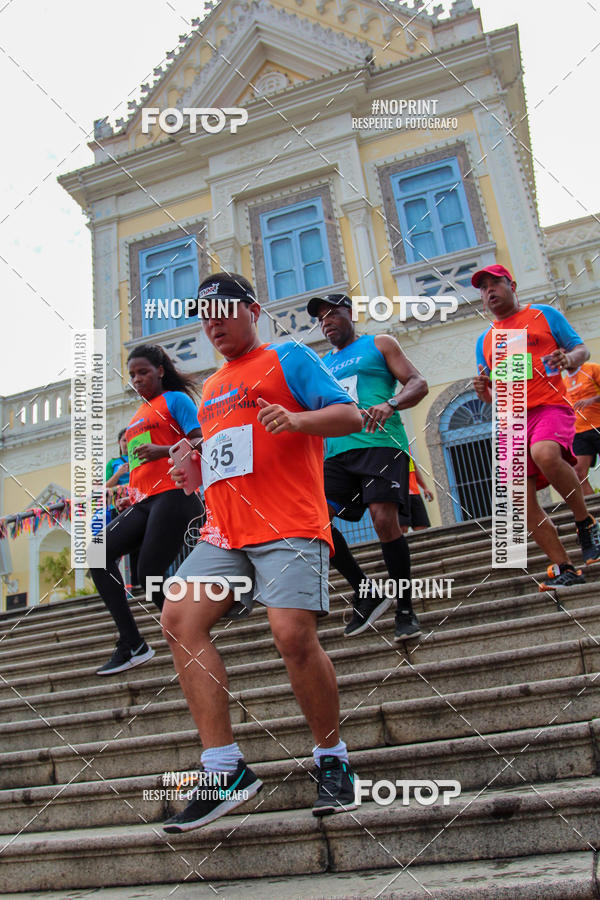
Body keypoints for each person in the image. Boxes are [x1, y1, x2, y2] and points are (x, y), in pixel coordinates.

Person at [160, 273, 364, 832]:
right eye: (204, 316)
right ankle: (224, 769)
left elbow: (349, 415)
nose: (214, 323)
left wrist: (298, 419)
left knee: (293, 636)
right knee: (178, 617)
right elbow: (231, 457)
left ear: (253, 308)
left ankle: (332, 759)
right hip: (224, 532)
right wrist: (195, 470)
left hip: (289, 524)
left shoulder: (288, 357)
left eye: (225, 310)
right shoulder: (210, 388)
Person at [306, 293, 428, 641]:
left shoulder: (379, 343)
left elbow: (418, 383)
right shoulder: (322, 364)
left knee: (383, 519)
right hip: (335, 454)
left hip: (380, 445)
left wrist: (391, 403)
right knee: (315, 522)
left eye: (332, 314)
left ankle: (405, 608)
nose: (326, 322)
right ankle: (366, 589)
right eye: (321, 318)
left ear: (350, 313)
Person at [472, 264, 600, 589]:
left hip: (550, 407)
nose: (489, 291)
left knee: (544, 452)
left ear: (512, 285)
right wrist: (483, 391)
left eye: (495, 283)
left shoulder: (544, 314)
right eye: (483, 288)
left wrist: (569, 360)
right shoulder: (486, 340)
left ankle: (584, 522)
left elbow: (580, 348)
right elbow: (493, 396)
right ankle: (564, 567)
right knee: (517, 497)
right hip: (512, 420)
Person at [90, 344, 204, 675]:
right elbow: (140, 466)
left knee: (147, 575)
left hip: (175, 495)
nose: (137, 380)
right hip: (144, 501)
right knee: (97, 554)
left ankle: (192, 625)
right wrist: (131, 496)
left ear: (160, 370)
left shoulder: (176, 400)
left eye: (143, 372)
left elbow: (201, 440)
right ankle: (133, 644)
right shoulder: (138, 414)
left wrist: (165, 450)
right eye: (132, 375)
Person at [564, 361, 600, 495]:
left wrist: (592, 400)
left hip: (598, 425)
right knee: (579, 474)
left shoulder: (591, 368)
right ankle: (594, 512)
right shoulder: (564, 381)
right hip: (578, 432)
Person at [399, 457, 433, 535]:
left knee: (422, 527)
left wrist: (425, 487)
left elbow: (414, 468)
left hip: (414, 492)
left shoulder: (406, 447)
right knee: (402, 528)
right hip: (399, 493)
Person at [105, 428, 129, 521]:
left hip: (137, 500)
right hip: (117, 504)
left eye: (130, 439)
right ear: (119, 442)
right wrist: (119, 473)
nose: (127, 443)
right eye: (124, 440)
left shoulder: (140, 457)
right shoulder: (112, 462)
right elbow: (106, 487)